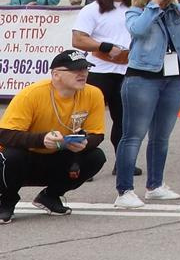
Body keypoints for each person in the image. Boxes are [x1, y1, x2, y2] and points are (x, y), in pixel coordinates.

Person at [114, 0, 180, 206]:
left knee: (161, 137)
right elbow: (137, 29)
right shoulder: (136, 11)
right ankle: (124, 191)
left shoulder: (178, 10)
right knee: (133, 135)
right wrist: (154, 5)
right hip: (142, 78)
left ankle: (155, 185)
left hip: (174, 77)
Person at [0, 51, 110, 219]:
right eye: (75, 70)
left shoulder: (93, 94)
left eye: (85, 68)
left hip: (58, 153)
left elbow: (97, 134)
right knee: (12, 156)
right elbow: (5, 134)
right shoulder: (33, 94)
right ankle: (6, 202)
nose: (82, 74)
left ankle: (50, 196)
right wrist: (41, 139)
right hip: (25, 157)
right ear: (56, 74)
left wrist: (85, 142)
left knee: (95, 156)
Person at [68, 0, 136, 149]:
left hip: (128, 70)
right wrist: (104, 46)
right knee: (85, 118)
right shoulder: (93, 9)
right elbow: (78, 39)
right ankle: (79, 160)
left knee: (124, 119)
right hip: (100, 70)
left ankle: (123, 163)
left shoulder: (136, 8)